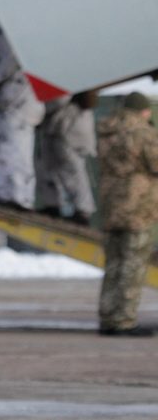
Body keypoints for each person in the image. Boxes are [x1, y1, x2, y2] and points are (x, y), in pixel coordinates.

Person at [95, 92, 158, 337]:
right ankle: (124, 320)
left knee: (113, 264)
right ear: (143, 110)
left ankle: (108, 317)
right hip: (137, 206)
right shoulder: (143, 133)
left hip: (112, 204)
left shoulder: (106, 131)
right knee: (133, 265)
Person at [0, 17, 45, 209]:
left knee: (18, 150)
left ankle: (22, 199)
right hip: (5, 99)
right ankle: (0, 190)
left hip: (23, 97)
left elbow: (11, 58)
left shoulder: (15, 25)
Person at [35, 91, 98, 225]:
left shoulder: (70, 85)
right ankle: (55, 206)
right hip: (61, 129)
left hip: (69, 131)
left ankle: (83, 211)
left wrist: (40, 113)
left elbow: (58, 101)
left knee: (73, 172)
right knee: (50, 169)